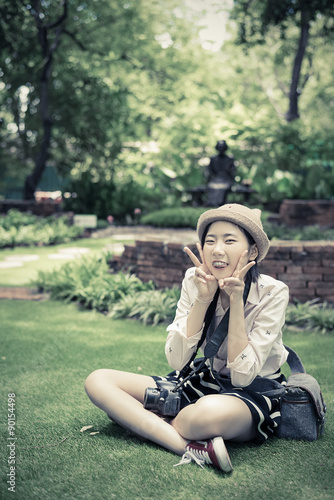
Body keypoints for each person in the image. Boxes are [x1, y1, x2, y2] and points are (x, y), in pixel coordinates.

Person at [85, 203, 289, 472]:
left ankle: (145, 421)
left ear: (252, 251)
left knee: (205, 415)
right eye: (210, 241)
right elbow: (178, 360)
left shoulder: (273, 292)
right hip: (199, 380)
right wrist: (203, 299)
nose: (217, 250)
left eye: (230, 240)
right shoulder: (195, 280)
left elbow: (242, 377)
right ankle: (190, 447)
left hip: (251, 391)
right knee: (98, 380)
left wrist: (237, 302)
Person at [206, 140, 236, 206]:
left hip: (225, 180)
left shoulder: (229, 159)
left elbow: (232, 171)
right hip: (215, 180)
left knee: (222, 187)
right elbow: (209, 171)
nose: (221, 149)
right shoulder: (213, 159)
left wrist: (232, 181)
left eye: (222, 147)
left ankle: (220, 203)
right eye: (219, 147)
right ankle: (212, 203)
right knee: (213, 186)